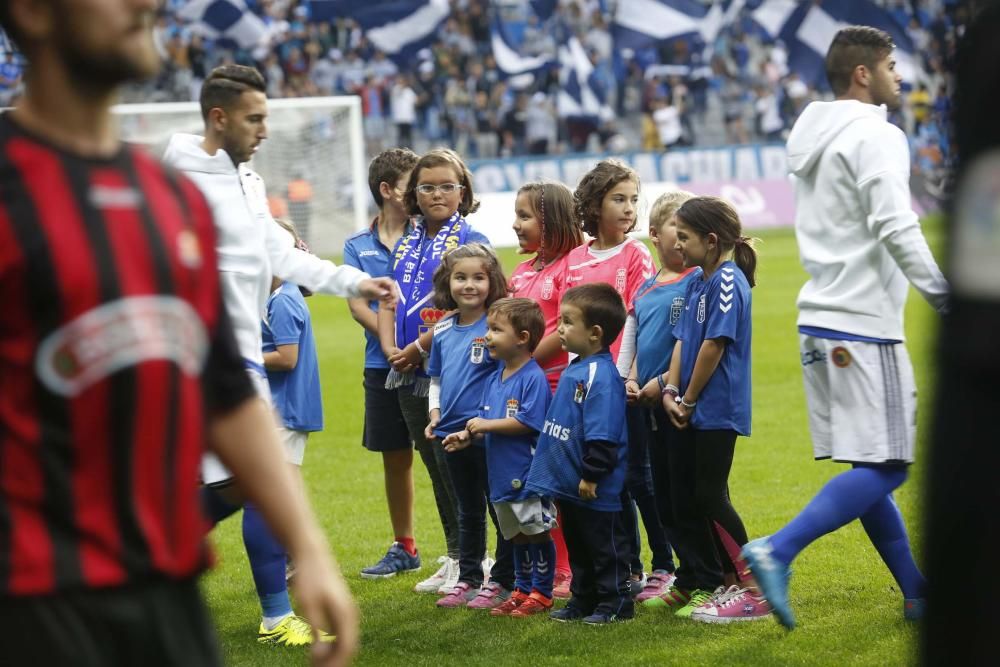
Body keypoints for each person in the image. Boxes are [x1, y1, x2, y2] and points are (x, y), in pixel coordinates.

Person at [0, 0, 357, 665]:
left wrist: (307, 547)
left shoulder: (170, 198)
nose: (149, 4)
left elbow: (226, 386)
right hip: (33, 598)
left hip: (165, 594)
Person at [162, 63, 394, 646]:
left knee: (249, 483)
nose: (266, 129)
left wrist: (352, 283)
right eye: (254, 118)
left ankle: (144, 560)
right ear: (219, 117)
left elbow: (279, 254)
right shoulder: (172, 177)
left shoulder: (246, 181)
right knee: (259, 480)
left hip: (239, 359)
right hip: (197, 359)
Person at [741, 26, 949, 630]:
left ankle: (917, 591)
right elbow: (896, 224)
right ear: (863, 74)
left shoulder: (811, 133)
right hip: (863, 321)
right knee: (892, 465)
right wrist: (947, 299)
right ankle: (776, 549)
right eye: (890, 65)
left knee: (869, 463)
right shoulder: (877, 135)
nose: (899, 76)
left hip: (819, 318)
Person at [375, 148, 492, 594]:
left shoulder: (471, 238)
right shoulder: (409, 238)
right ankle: (457, 555)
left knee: (459, 464)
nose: (437, 194)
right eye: (427, 186)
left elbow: (470, 304)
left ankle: (480, 558)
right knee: (434, 464)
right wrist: (390, 348)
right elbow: (388, 295)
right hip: (406, 369)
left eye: (447, 185)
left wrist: (417, 346)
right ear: (413, 194)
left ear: (462, 192)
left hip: (451, 369)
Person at [651, 196, 770, 623]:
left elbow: (714, 345)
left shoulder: (726, 280)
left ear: (711, 239)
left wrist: (688, 398)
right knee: (693, 497)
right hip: (691, 404)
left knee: (710, 494)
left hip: (716, 406)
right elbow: (684, 342)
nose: (677, 244)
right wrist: (670, 391)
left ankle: (757, 586)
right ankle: (727, 582)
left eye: (684, 237)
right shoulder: (697, 280)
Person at [566, 159, 655, 593]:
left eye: (633, 200)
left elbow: (638, 318)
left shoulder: (636, 253)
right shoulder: (576, 259)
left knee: (634, 478)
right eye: (618, 199)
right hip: (584, 387)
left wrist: (623, 377)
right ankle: (618, 568)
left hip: (621, 385)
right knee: (599, 479)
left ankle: (654, 565)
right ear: (594, 204)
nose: (628, 208)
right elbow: (570, 324)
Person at [525, 284, 633, 625]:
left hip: (594, 487)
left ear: (595, 333)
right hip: (571, 484)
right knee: (579, 547)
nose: (559, 328)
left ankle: (615, 602)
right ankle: (583, 599)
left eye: (568, 322)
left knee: (605, 548)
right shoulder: (576, 367)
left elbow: (603, 434)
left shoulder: (600, 375)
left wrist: (591, 474)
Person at [443, 298, 555, 617]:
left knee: (537, 532)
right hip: (502, 477)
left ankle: (542, 592)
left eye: (496, 330)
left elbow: (528, 422)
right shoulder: (496, 377)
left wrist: (487, 425)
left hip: (528, 476)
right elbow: (485, 418)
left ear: (521, 337)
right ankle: (521, 588)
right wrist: (467, 435)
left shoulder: (533, 377)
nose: (488, 336)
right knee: (517, 536)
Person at [344, 148, 426, 580]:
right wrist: (391, 344)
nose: (419, 191)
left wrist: (412, 348)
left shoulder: (428, 236)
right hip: (382, 366)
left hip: (432, 363)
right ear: (388, 189)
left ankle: (467, 553)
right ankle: (405, 545)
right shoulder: (357, 246)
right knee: (395, 456)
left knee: (446, 455)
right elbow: (357, 304)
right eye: (413, 183)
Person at [424, 243, 515, 609]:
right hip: (450, 437)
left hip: (487, 435)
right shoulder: (443, 329)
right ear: (448, 282)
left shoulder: (496, 325)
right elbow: (437, 381)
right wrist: (434, 416)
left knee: (499, 506)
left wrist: (480, 426)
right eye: (461, 277)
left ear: (492, 281)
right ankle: (469, 579)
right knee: (468, 509)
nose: (470, 285)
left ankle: (505, 580)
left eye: (479, 277)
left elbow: (505, 377)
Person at [626, 190, 705, 606]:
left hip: (679, 403)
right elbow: (638, 340)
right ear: (655, 234)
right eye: (677, 226)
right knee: (665, 495)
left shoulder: (697, 281)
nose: (683, 237)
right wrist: (634, 379)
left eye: (690, 229)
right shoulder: (647, 286)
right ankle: (685, 576)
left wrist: (661, 383)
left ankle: (710, 575)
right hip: (649, 403)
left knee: (689, 494)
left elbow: (690, 343)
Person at [507, 181, 583, 597]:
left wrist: (524, 363)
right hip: (524, 391)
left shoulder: (573, 264)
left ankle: (569, 567)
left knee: (559, 480)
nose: (516, 225)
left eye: (524, 216)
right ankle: (543, 567)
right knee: (530, 480)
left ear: (551, 220)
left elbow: (563, 329)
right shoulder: (521, 272)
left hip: (556, 388)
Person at [262, 219, 323, 473]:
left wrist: (241, 356)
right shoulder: (277, 295)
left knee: (278, 485)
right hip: (278, 408)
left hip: (285, 410)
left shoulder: (283, 301)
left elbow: (287, 358)